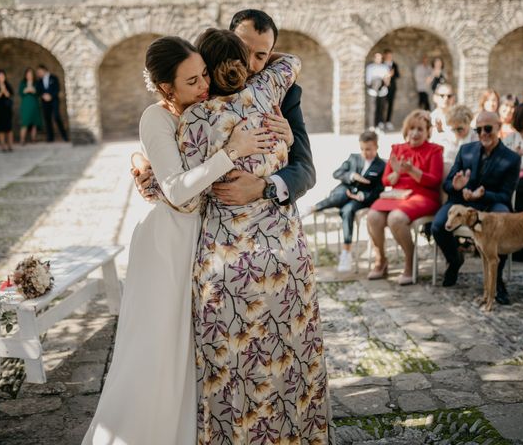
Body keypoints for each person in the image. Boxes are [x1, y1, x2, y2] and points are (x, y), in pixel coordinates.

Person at [82, 36, 276, 445]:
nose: (204, 84)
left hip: (200, 243)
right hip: (166, 244)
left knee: (190, 352)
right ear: (166, 88)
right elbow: (175, 189)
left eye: (204, 74)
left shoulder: (207, 110)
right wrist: (231, 151)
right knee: (157, 352)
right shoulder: (157, 118)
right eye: (192, 81)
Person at [178, 28, 331, 443]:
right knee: (291, 356)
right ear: (243, 63)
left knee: (232, 367)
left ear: (203, 69)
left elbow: (185, 194)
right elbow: (291, 61)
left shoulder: (194, 118)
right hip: (286, 254)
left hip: (229, 263)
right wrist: (255, 65)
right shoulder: (267, 89)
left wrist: (147, 176)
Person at [135, 9, 316, 209]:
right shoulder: (195, 96)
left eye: (261, 55)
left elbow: (305, 170)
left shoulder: (283, 93)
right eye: (244, 50)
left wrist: (264, 187)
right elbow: (174, 176)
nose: (248, 64)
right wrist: (142, 161)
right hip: (203, 231)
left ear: (270, 55)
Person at [431, 111, 520, 304]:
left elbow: (505, 195)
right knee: (437, 226)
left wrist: (483, 194)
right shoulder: (466, 150)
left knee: (501, 224)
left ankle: (497, 280)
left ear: (498, 127)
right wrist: (456, 187)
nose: (483, 133)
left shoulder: (512, 158)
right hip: (462, 201)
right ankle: (455, 261)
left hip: (491, 203)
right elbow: (448, 184)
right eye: (478, 129)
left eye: (488, 128)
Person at [367, 110, 443, 285]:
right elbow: (385, 179)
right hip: (397, 195)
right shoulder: (398, 149)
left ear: (428, 132)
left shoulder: (434, 150)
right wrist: (395, 174)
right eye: (412, 129)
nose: (415, 133)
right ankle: (381, 260)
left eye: (420, 129)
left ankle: (410, 262)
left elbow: (435, 181)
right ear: (406, 130)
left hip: (423, 196)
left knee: (396, 219)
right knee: (373, 216)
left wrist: (412, 171)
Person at [305, 131, 385, 272]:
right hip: (345, 191)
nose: (365, 153)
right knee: (342, 196)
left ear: (376, 147)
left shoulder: (382, 165)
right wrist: (352, 176)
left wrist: (361, 196)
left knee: (347, 210)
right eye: (362, 149)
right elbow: (337, 173)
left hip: (361, 199)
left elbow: (379, 190)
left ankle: (346, 252)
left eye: (368, 149)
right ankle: (313, 208)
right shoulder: (353, 158)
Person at [35, 64, 68, 142]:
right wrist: (43, 95)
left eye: (39, 72)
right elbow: (38, 91)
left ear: (44, 70)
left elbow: (57, 89)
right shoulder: (39, 81)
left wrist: (51, 96)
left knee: (57, 117)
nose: (38, 74)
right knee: (47, 119)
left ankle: (64, 136)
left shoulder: (54, 78)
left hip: (54, 101)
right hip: (44, 102)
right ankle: (50, 138)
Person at [440, 104, 476, 174]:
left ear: (468, 123)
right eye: (453, 129)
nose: (456, 132)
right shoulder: (446, 138)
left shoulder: (475, 138)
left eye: (460, 129)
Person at [366, 52, 390, 131]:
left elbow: (387, 79)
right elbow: (368, 81)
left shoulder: (385, 67)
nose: (378, 59)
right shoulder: (370, 67)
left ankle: (380, 124)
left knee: (381, 108)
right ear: (374, 58)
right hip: (373, 90)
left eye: (380, 58)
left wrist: (384, 82)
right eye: (377, 58)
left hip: (382, 90)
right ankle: (372, 125)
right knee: (373, 108)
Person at [19, 68, 42, 145]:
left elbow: (39, 93)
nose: (29, 76)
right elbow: (20, 93)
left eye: (31, 74)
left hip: (34, 104)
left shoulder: (36, 83)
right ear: (25, 75)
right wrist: (26, 90)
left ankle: (33, 138)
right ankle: (22, 139)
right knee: (25, 122)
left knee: (34, 122)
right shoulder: (23, 83)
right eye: (28, 74)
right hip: (26, 104)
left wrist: (34, 91)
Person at [383, 49, 400, 128]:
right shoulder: (382, 64)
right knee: (382, 105)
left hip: (392, 87)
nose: (389, 57)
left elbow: (398, 75)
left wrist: (392, 75)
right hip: (382, 87)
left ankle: (388, 121)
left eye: (390, 56)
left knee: (390, 104)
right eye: (388, 55)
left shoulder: (394, 65)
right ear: (385, 56)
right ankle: (381, 122)